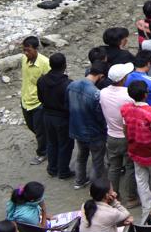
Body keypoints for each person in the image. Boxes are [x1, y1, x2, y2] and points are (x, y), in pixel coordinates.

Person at [122, 80, 151, 217]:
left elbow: (125, 129)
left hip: (135, 149)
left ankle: (146, 206)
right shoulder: (150, 113)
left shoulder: (126, 109)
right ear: (146, 94)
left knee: (140, 179)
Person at [99, 63, 136, 204]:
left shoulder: (103, 92)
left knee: (113, 167)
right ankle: (131, 197)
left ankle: (113, 196)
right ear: (123, 78)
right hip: (126, 136)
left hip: (111, 136)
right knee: (129, 167)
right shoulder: (128, 95)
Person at [68, 64, 108, 188]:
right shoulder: (96, 93)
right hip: (94, 132)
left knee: (81, 156)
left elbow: (67, 105)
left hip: (77, 128)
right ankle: (96, 186)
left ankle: (79, 181)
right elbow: (100, 116)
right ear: (101, 76)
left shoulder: (71, 86)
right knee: (97, 160)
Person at [37, 51, 74, 179]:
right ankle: (63, 171)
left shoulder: (41, 80)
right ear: (64, 66)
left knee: (52, 143)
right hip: (63, 117)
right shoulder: (68, 84)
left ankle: (52, 168)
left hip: (47, 115)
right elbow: (71, 103)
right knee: (65, 144)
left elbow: (40, 98)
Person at [20, 36, 50, 166]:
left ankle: (43, 152)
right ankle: (48, 143)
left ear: (36, 49)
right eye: (24, 50)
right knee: (31, 126)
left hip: (38, 102)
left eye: (28, 50)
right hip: (26, 99)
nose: (26, 53)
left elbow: (50, 83)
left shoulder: (45, 63)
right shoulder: (23, 60)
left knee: (40, 130)